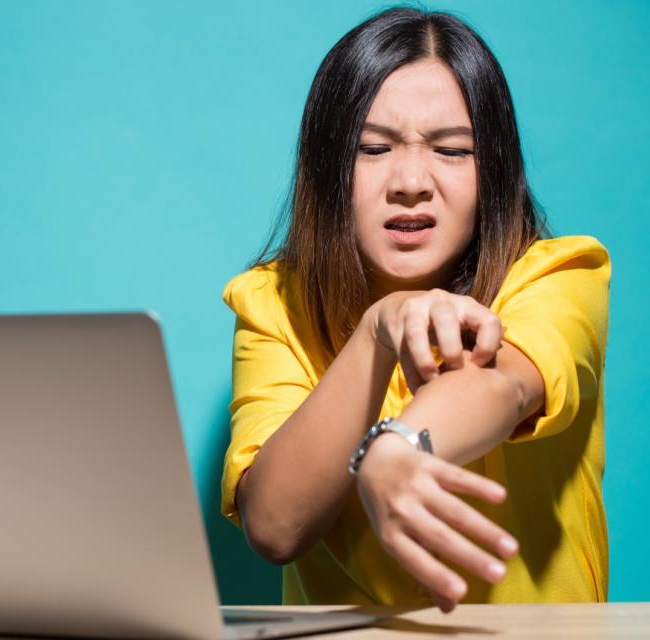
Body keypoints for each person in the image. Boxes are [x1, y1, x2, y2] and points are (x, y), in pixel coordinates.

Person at [220, 6, 610, 612]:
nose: (409, 180)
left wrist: (399, 446)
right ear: (326, 168)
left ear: (495, 171)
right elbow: (274, 527)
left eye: (451, 151)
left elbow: (504, 386)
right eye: (372, 148)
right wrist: (378, 329)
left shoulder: (558, 274)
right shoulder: (272, 301)